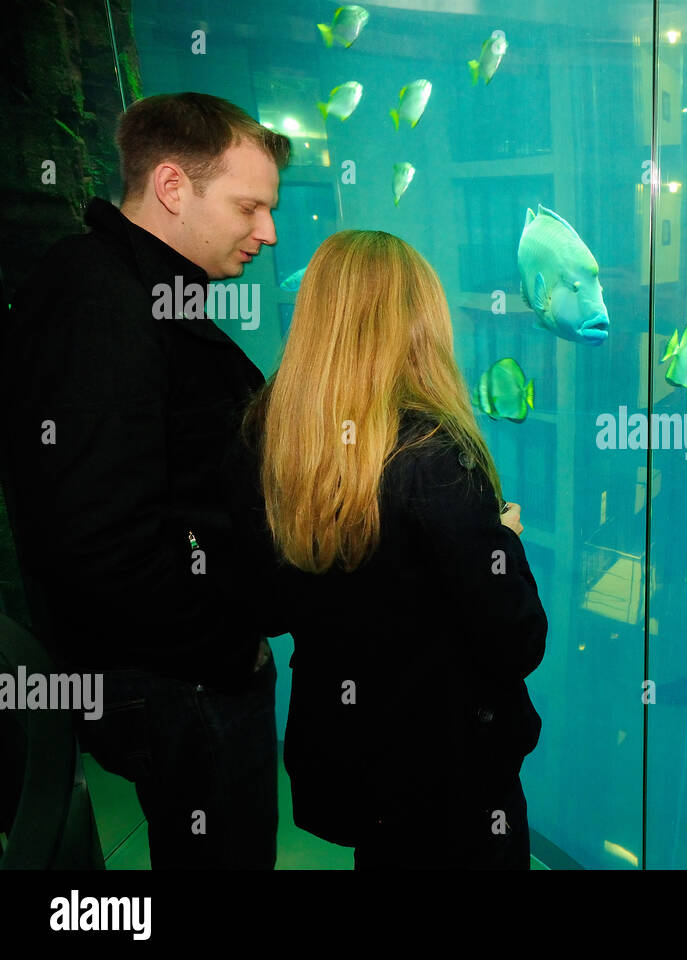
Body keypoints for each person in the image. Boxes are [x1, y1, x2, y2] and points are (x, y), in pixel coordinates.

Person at [0, 92, 290, 868]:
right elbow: (96, 534)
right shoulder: (103, 301)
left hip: (174, 673)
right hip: (178, 681)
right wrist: (227, 649)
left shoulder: (129, 286)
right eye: (249, 206)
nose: (267, 231)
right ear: (172, 187)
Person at [219, 229, 546, 869]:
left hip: (352, 758)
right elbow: (517, 640)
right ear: (420, 323)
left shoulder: (266, 437)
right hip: (451, 774)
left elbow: (268, 606)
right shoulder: (434, 454)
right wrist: (501, 541)